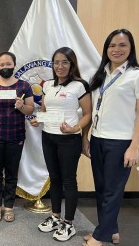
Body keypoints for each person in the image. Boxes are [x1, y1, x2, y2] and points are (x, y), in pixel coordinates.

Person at [82, 29, 139, 246]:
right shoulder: (100, 74)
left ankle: (101, 235)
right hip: (98, 138)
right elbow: (90, 110)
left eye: (122, 45)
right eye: (112, 45)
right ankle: (111, 230)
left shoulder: (135, 75)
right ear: (106, 49)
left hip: (121, 141)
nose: (117, 49)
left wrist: (135, 147)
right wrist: (85, 137)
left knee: (113, 191)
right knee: (102, 188)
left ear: (131, 48)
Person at [30, 47, 91, 242]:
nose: (60, 66)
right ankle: (56, 217)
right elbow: (47, 111)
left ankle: (69, 223)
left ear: (72, 64)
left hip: (69, 140)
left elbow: (88, 114)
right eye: (56, 62)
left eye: (65, 62)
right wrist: (39, 119)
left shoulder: (80, 85)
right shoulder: (48, 85)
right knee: (54, 178)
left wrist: (75, 129)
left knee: (68, 181)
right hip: (49, 137)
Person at [0, 51, 34, 223]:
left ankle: (9, 206)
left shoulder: (24, 86)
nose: (5, 67)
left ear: (14, 65)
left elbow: (30, 109)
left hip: (16, 135)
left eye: (8, 64)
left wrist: (21, 106)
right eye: (2, 65)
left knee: (12, 171)